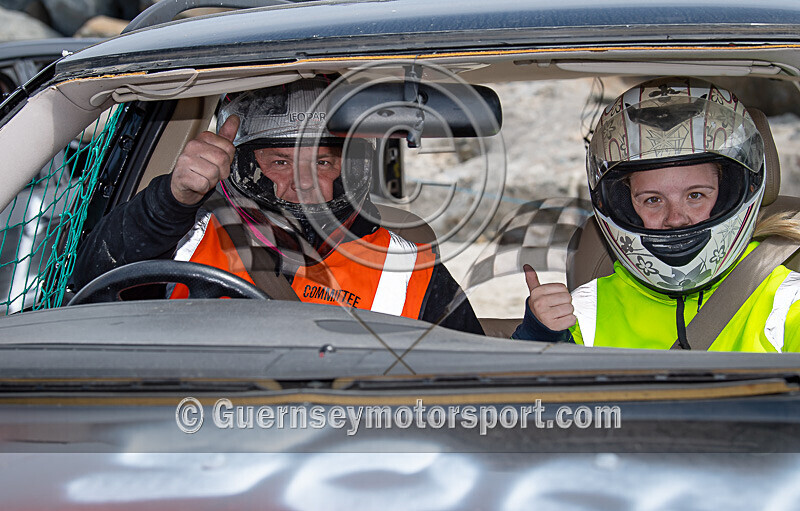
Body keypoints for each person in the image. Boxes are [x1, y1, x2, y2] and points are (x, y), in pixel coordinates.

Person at [70, 76, 484, 335]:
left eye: (322, 161)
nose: (303, 182)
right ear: (243, 164)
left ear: (353, 167)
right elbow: (91, 292)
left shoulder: (405, 266)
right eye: (279, 162)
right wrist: (172, 199)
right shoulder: (185, 231)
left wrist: (535, 333)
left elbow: (472, 383)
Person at [512, 76, 800, 352]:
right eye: (652, 200)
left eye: (695, 195)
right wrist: (539, 335)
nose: (676, 218)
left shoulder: (785, 300)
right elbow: (530, 399)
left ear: (729, 192)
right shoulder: (586, 311)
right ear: (624, 205)